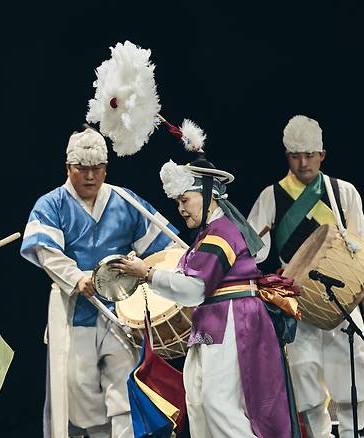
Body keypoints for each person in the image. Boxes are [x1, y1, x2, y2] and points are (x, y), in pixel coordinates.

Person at [114, 148, 297, 438]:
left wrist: (147, 273)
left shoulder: (222, 232)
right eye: (177, 203)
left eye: (184, 200)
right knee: (198, 402)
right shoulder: (205, 236)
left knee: (218, 405)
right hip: (213, 323)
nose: (181, 208)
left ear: (209, 194)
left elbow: (196, 289)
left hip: (235, 322)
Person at [20, 127, 178, 438]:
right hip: (75, 311)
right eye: (82, 169)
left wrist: (154, 273)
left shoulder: (124, 200)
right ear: (68, 168)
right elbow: (45, 250)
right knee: (80, 396)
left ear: (106, 168)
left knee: (124, 389)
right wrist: (76, 277)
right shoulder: (52, 204)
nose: (90, 177)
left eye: (97, 169)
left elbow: (165, 246)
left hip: (121, 313)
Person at [247, 115, 364, 438]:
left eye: (309, 155)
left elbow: (360, 243)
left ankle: (350, 434)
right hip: (298, 300)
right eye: (295, 155)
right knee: (304, 372)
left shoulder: (343, 192)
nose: (303, 162)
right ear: (286, 156)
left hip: (342, 296)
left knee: (348, 367)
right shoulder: (271, 196)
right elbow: (253, 248)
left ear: (322, 154)